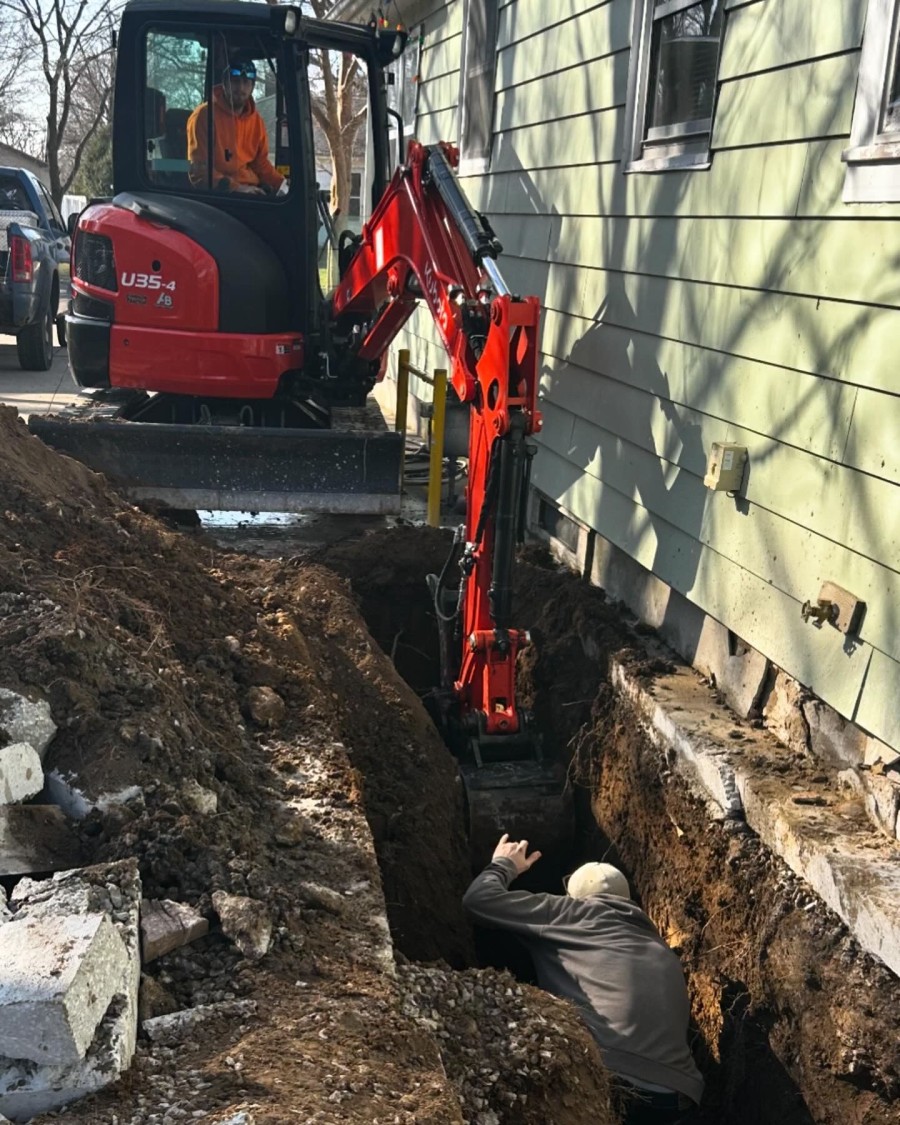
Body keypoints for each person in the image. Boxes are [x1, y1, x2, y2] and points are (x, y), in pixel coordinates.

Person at [463, 835, 704, 1124]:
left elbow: (479, 900)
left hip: (613, 1080)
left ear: (574, 898)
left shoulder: (570, 914)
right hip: (678, 1098)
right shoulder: (660, 948)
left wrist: (504, 865)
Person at [186, 52, 286, 196]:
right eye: (235, 81)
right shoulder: (204, 116)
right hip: (221, 196)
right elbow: (199, 171)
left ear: (252, 87)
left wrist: (282, 186)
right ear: (224, 83)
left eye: (246, 82)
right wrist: (236, 189)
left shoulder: (256, 121)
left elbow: (261, 164)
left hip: (252, 191)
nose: (240, 88)